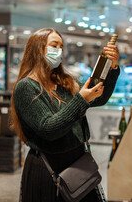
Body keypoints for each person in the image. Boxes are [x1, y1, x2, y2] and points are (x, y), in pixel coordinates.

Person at [11, 28, 120, 202]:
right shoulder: (26, 87)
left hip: (78, 165)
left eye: (61, 46)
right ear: (38, 49)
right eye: (54, 45)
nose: (59, 50)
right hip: (48, 170)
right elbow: (49, 129)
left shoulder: (64, 82)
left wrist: (112, 67)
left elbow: (99, 97)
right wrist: (81, 100)